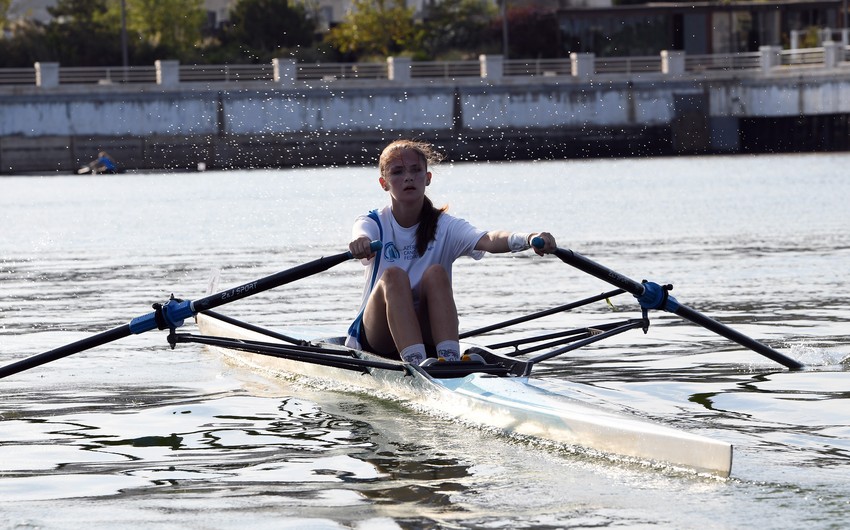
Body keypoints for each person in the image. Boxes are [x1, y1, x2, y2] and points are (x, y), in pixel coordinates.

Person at [346, 139, 557, 365]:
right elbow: (361, 234)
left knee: (436, 273)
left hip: (425, 332)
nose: (408, 177)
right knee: (394, 276)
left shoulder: (445, 226)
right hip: (379, 337)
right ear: (384, 183)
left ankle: (449, 360)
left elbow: (489, 239)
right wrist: (360, 243)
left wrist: (527, 238)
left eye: (416, 170)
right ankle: (416, 365)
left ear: (427, 178)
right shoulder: (373, 222)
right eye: (397, 172)